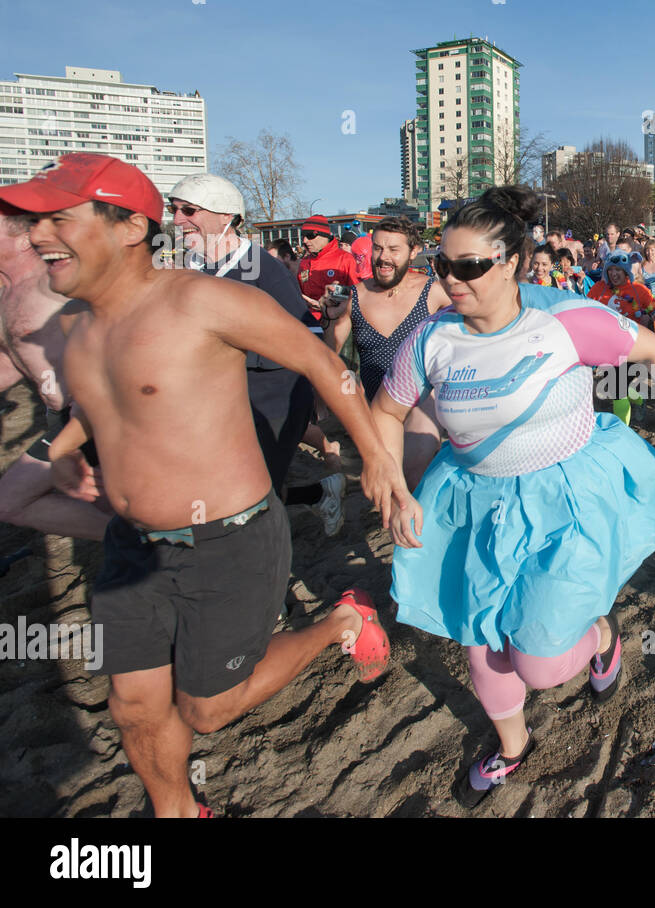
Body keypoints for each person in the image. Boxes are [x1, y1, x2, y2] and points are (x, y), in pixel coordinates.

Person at [2, 153, 412, 817]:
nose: (38, 235)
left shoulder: (202, 299)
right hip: (132, 545)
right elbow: (97, 407)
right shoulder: (76, 328)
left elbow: (319, 361)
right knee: (133, 707)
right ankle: (179, 811)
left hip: (230, 539)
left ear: (129, 228)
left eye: (59, 219)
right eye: (33, 222)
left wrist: (374, 456)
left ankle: (340, 619)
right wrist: (67, 453)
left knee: (208, 707)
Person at [371, 187, 655, 808]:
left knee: (538, 663)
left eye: (468, 266)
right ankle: (512, 749)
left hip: (563, 498)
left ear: (508, 262)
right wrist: (394, 484)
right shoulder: (430, 340)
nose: (450, 279)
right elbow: (386, 410)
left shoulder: (564, 320)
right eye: (441, 266)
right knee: (480, 639)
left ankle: (599, 637)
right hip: (475, 505)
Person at [168, 174, 345, 536]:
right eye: (173, 210)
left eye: (189, 210)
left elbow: (306, 334)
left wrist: (318, 393)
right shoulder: (189, 266)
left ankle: (266, 582)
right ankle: (317, 494)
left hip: (271, 398)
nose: (176, 219)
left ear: (225, 216)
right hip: (215, 399)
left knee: (250, 495)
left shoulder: (262, 267)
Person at [0, 204, 112, 538]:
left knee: (9, 501)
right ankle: (142, 544)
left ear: (22, 240)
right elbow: (13, 359)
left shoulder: (53, 283)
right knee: (110, 503)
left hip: (90, 416)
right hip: (63, 417)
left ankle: (143, 544)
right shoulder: (9, 289)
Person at [321, 217, 449, 490]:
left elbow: (476, 326)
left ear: (413, 252)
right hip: (378, 404)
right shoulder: (353, 295)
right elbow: (331, 352)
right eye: (378, 248)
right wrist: (332, 318)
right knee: (386, 485)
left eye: (393, 250)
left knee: (412, 473)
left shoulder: (433, 292)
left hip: (422, 399)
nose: (383, 257)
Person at [588, 252, 655, 424]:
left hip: (633, 347)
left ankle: (620, 430)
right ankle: (638, 400)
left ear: (626, 272)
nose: (614, 274)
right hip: (607, 348)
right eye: (611, 270)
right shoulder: (599, 289)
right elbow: (586, 309)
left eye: (619, 270)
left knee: (617, 389)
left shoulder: (639, 290)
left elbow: (654, 308)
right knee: (616, 386)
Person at [298, 215, 359, 325]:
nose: (305, 240)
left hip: (336, 325)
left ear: (324, 236)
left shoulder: (345, 259)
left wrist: (330, 299)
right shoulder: (304, 262)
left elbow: (356, 293)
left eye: (309, 236)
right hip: (308, 323)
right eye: (303, 236)